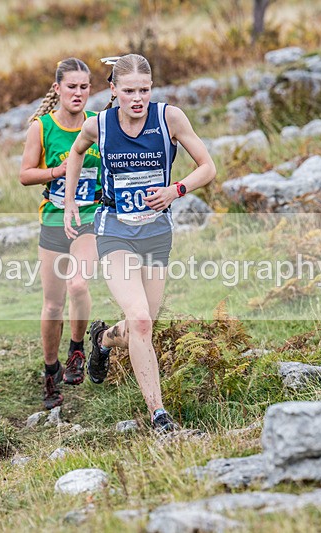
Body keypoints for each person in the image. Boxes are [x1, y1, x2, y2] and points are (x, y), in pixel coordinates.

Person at [63, 54, 216, 432]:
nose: (137, 99)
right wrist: (69, 201)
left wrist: (175, 190)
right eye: (129, 91)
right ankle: (158, 414)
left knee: (140, 326)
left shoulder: (170, 119)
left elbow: (208, 167)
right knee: (143, 320)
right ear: (113, 90)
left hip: (156, 232)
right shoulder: (99, 125)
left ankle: (102, 338)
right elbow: (76, 152)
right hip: (114, 230)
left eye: (144, 90)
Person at [19, 58, 102, 410]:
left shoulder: (98, 125)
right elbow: (25, 174)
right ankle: (50, 370)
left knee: (78, 284)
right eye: (72, 87)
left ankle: (77, 349)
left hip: (88, 220)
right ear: (58, 89)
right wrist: (58, 171)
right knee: (52, 304)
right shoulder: (42, 127)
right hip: (53, 220)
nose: (78, 93)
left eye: (84, 87)